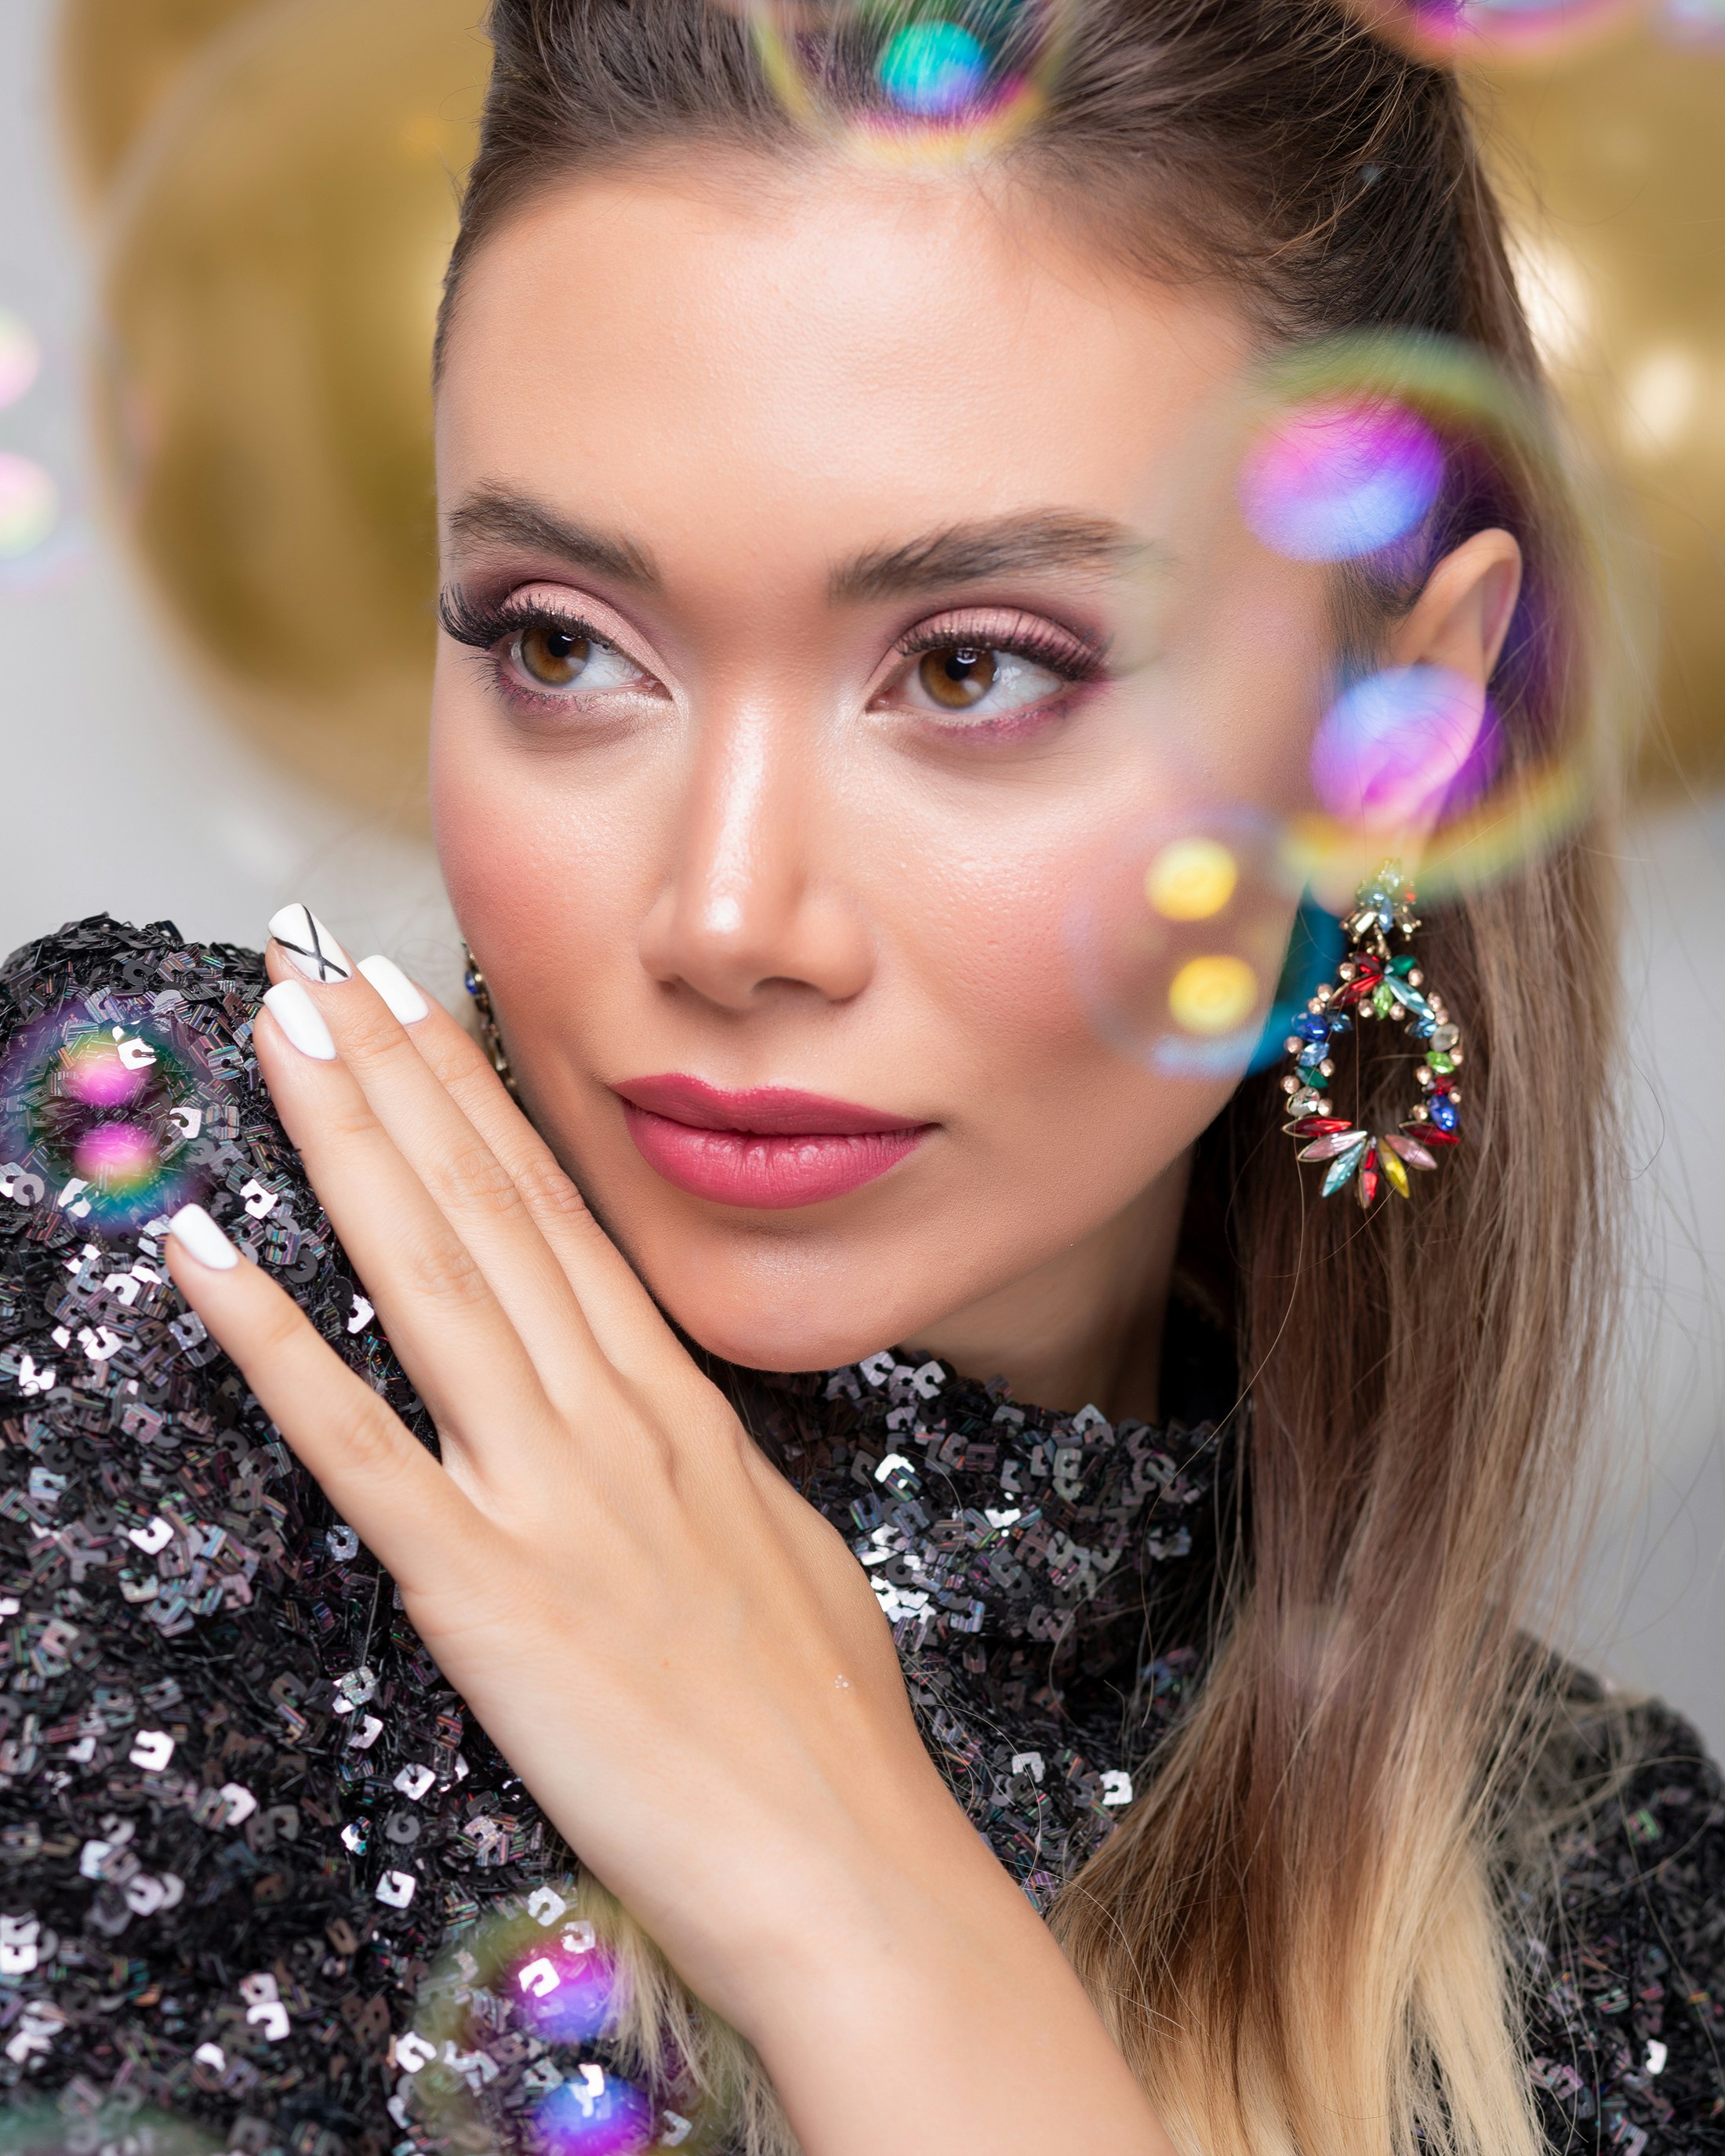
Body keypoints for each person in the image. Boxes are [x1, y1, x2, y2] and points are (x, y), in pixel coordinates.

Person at [1, 2, 1720, 2152]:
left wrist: (870, 1919)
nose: (727, 919)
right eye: (559, 640)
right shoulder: (153, 1317)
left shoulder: (1611, 1936)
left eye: (977, 669)